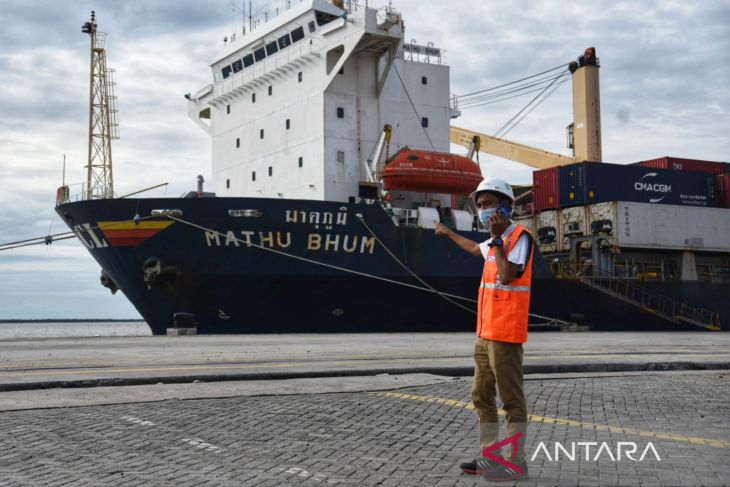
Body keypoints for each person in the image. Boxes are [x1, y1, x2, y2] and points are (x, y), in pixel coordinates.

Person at [434, 177, 533, 482]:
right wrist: (448, 232)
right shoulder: (493, 240)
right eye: (479, 205)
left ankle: (515, 463)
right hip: (486, 331)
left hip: (505, 334)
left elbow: (505, 276)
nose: (482, 210)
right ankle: (490, 456)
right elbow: (474, 250)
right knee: (480, 395)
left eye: (488, 204)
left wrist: (499, 240)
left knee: (512, 401)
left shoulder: (519, 237)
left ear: (507, 206)